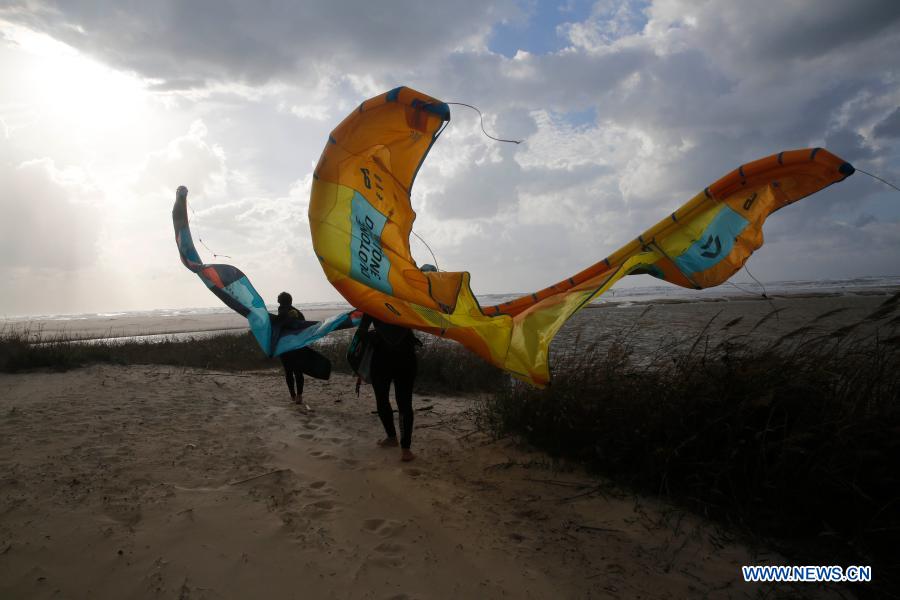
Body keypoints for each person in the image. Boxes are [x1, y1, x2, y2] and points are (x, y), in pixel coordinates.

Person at [356, 312, 420, 461]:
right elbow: (362, 331)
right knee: (397, 401)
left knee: (387, 399)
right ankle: (399, 444)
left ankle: (401, 445)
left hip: (391, 359)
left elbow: (362, 332)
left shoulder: (373, 301)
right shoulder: (400, 300)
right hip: (396, 358)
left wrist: (375, 336)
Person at [276, 292, 308, 407]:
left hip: (285, 347)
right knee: (298, 371)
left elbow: (276, 327)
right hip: (297, 346)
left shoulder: (281, 312)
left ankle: (293, 395)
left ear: (280, 302)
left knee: (288, 372)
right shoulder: (298, 313)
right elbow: (304, 326)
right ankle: (299, 396)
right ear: (291, 301)